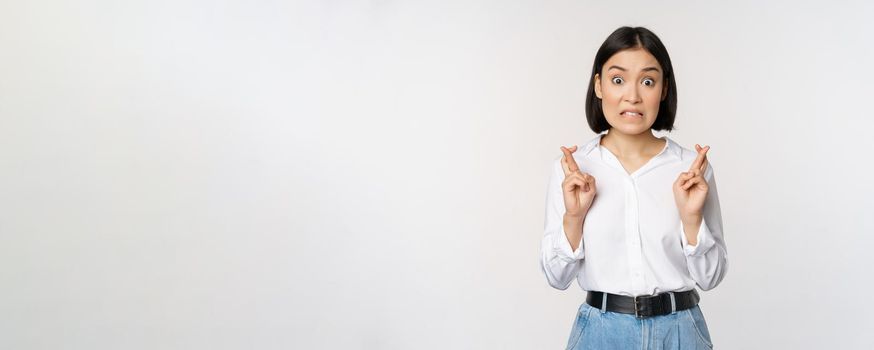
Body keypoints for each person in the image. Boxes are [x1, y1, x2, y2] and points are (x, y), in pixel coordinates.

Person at [539, 26, 728, 350]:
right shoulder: (573, 169)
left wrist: (692, 220)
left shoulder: (689, 169)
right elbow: (557, 278)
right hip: (600, 333)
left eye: (648, 81)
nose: (633, 96)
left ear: (664, 89)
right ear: (598, 85)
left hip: (680, 332)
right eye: (617, 80)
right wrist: (574, 217)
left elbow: (711, 278)